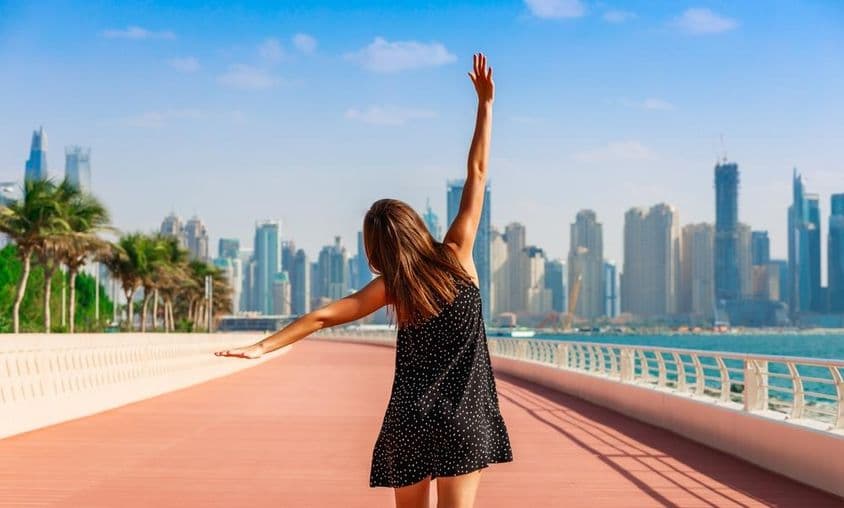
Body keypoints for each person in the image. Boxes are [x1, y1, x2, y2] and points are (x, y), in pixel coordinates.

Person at [216, 52, 512, 508]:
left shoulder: (393, 287)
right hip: (463, 418)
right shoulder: (458, 254)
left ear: (377, 249)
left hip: (410, 422)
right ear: (415, 226)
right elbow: (476, 173)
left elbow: (321, 317)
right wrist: (486, 104)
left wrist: (261, 347)